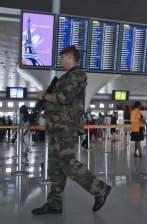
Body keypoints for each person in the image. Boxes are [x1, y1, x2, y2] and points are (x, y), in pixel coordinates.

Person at [32, 45, 111, 215]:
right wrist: (45, 101)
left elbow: (63, 98)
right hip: (56, 127)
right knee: (54, 167)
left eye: (62, 57)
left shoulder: (78, 74)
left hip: (66, 128)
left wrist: (45, 96)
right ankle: (54, 203)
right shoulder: (64, 77)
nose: (60, 60)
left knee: (68, 165)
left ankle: (100, 189)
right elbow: (57, 101)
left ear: (70, 57)